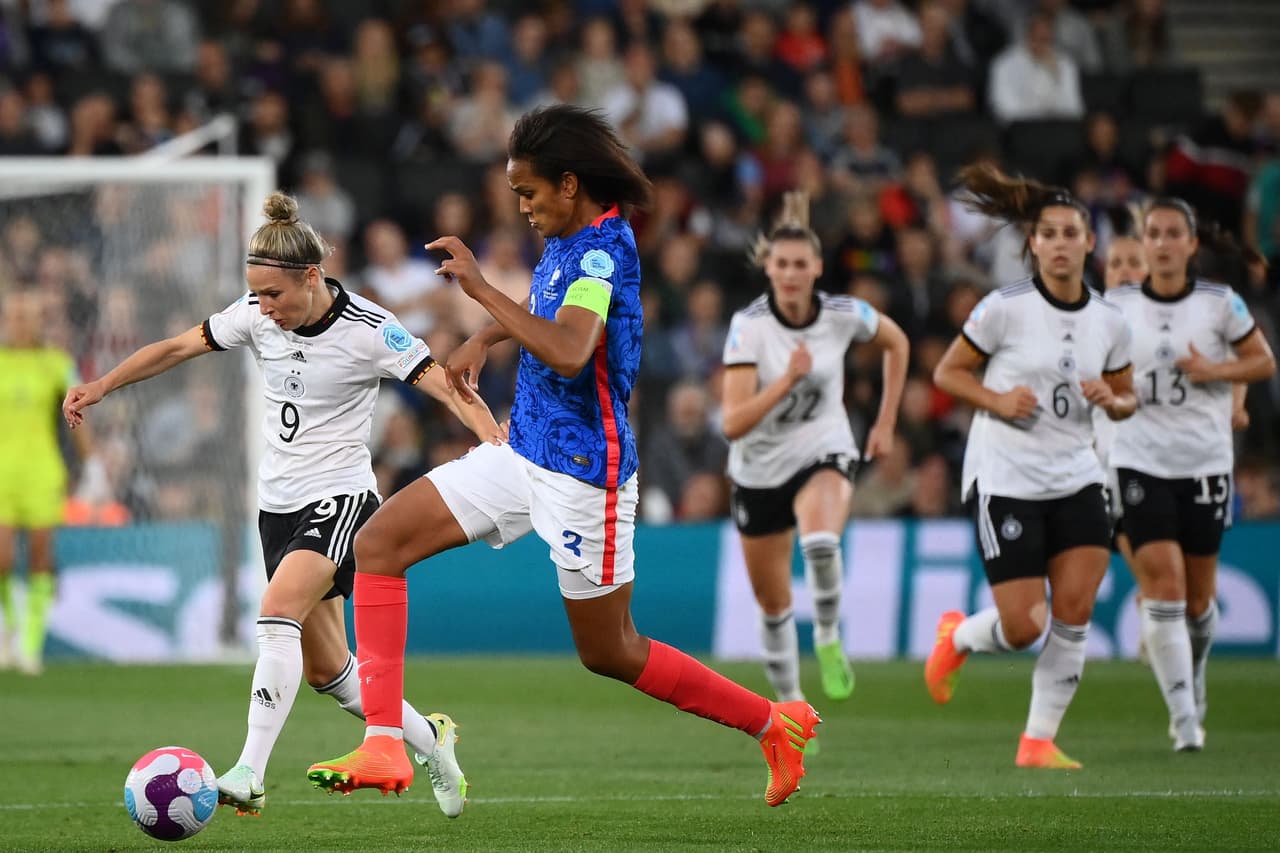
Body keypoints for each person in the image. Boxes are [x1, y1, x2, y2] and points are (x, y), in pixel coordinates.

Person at [306, 105, 821, 809]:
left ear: (571, 184)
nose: (522, 207)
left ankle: (772, 723)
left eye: (530, 193)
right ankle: (387, 743)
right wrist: (487, 335)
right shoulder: (568, 239)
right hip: (522, 451)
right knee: (380, 543)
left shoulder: (605, 252)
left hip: (586, 475)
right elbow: (548, 309)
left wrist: (483, 291)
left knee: (611, 650)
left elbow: (574, 348)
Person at [63, 192, 502, 818]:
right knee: (329, 671)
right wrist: (103, 384)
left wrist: (494, 442)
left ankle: (248, 770)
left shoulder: (371, 329)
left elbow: (446, 387)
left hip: (342, 496)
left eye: (274, 295)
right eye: (257, 296)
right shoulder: (253, 316)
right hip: (278, 505)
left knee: (276, 613)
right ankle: (433, 741)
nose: (263, 309)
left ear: (312, 276)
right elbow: (175, 348)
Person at [924, 164, 1137, 769]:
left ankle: (1037, 741)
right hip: (1006, 476)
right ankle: (958, 637)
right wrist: (997, 399)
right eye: (1050, 234)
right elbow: (947, 373)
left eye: (1073, 232)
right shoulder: (1003, 309)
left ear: (1090, 242)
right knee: (1023, 627)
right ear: (1034, 244)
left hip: (1077, 476)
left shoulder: (1110, 323)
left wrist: (1113, 401)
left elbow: (1127, 399)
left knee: (1074, 615)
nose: (1062, 243)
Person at [721, 191, 909, 709]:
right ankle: (792, 710)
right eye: (781, 264)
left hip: (822, 447)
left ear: (818, 268)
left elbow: (897, 343)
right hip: (758, 468)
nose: (791, 274)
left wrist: (886, 421)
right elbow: (733, 423)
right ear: (769, 268)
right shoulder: (749, 328)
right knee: (774, 603)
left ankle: (827, 636)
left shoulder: (844, 315)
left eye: (800, 264)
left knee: (822, 542)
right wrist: (785, 381)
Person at [1107, 198, 1275, 751]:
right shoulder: (1117, 305)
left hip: (1203, 462)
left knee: (1200, 603)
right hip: (1139, 461)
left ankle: (1193, 676)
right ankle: (1185, 720)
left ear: (1190, 243)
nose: (1160, 242)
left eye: (1172, 233)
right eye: (1152, 233)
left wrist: (1215, 372)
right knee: (1166, 588)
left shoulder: (1218, 304)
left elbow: (1263, 361)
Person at [0, 290, 96, 675]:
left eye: (30, 316)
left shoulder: (57, 363)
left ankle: (30, 644)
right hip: (3, 472)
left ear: (42, 321)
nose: (21, 323)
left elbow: (78, 408)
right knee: (2, 557)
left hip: (42, 471)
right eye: (15, 315)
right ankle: (10, 629)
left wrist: (93, 466)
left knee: (41, 557)